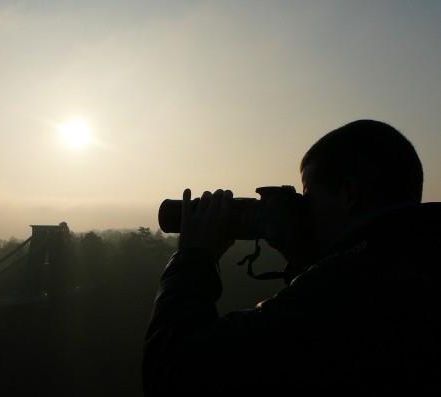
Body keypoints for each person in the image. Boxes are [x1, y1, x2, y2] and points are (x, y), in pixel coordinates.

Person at [143, 120, 441, 395]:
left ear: (349, 192)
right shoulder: (416, 256)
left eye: (308, 194)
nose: (303, 210)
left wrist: (194, 257)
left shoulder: (346, 290)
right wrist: (308, 260)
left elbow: (174, 372)